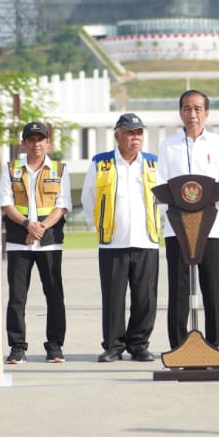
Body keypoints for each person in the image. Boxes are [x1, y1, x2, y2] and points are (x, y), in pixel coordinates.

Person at [80, 112, 162, 363]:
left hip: (146, 240)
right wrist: (98, 227)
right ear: (117, 136)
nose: (135, 138)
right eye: (129, 133)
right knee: (114, 297)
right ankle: (113, 346)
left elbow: (164, 199)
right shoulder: (101, 162)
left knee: (145, 298)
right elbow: (88, 198)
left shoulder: (154, 164)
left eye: (138, 133)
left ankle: (139, 344)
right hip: (113, 242)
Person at [157, 90, 219, 349]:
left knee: (212, 288)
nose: (193, 114)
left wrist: (203, 205)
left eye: (198, 109)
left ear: (207, 113)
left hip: (211, 227)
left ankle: (213, 345)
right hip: (177, 227)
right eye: (187, 109)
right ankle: (178, 346)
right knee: (178, 290)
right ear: (180, 112)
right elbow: (161, 184)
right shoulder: (168, 146)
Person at [0, 121, 71, 365]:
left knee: (54, 295)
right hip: (20, 242)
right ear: (24, 143)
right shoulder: (10, 169)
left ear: (47, 142)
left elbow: (62, 205)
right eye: (31, 139)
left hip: (49, 242)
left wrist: (39, 228)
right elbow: (7, 206)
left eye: (41, 139)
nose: (36, 144)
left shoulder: (60, 169)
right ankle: (17, 347)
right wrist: (29, 225)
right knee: (17, 297)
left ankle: (55, 346)